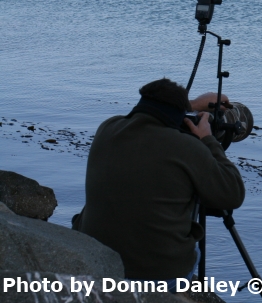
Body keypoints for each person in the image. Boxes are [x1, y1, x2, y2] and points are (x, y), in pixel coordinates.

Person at [72, 78, 245, 289]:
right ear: (181, 116)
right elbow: (233, 194)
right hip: (156, 278)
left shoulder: (107, 128)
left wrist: (188, 106)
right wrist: (207, 139)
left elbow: (146, 115)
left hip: (95, 261)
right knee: (193, 251)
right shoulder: (187, 147)